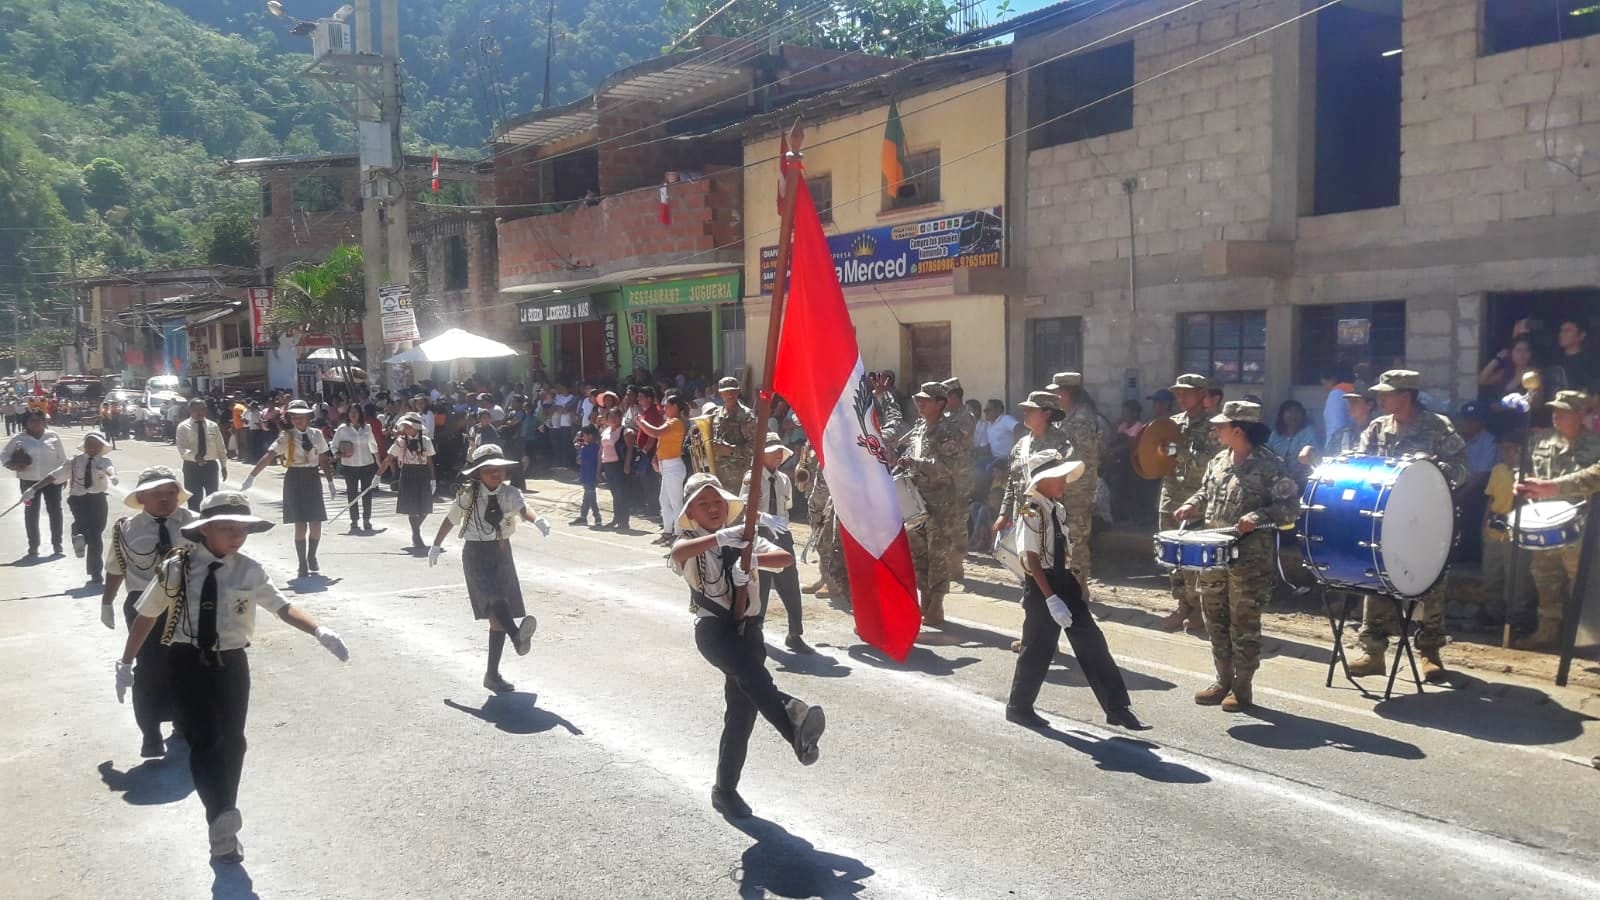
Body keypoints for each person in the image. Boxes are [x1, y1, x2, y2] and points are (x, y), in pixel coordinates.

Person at [115, 491, 348, 864]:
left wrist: (319, 630)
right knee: (206, 739)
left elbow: (282, 608)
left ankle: (225, 813)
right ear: (205, 529)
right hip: (185, 662)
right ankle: (220, 820)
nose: (236, 536)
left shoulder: (249, 570)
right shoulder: (177, 567)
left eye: (242, 529)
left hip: (231, 664)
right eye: (226, 528)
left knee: (234, 742)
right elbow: (146, 616)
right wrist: (126, 662)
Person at [668, 472, 825, 820]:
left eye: (717, 502)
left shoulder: (745, 536)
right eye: (702, 504)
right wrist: (719, 539)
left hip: (749, 630)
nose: (712, 508)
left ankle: (724, 790)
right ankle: (793, 721)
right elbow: (679, 553)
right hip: (715, 631)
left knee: (741, 716)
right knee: (755, 680)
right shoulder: (690, 539)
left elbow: (784, 558)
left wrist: (751, 557)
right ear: (690, 512)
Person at [1005, 449, 1145, 731]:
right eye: (1058, 477)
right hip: (1043, 585)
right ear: (1042, 480)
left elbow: (1063, 552)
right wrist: (1051, 598)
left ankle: (1117, 707)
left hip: (1063, 581)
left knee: (1092, 642)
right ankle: (1019, 707)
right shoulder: (1030, 508)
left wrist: (1077, 582)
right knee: (1037, 648)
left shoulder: (1056, 508)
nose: (1064, 482)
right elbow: (1030, 557)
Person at [1174, 401, 1300, 711]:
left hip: (1250, 560)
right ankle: (1222, 680)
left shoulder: (1271, 465)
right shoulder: (1219, 460)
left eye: (1221, 426)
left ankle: (1241, 688)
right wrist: (1191, 505)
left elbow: (1290, 510)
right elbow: (1206, 493)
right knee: (1214, 617)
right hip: (1214, 554)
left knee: (1243, 623)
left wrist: (1257, 516)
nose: (1216, 430)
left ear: (1238, 430)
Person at [1347, 369, 1467, 683]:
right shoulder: (1377, 428)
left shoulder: (1439, 427)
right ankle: (1373, 651)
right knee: (1376, 579)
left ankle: (1429, 651)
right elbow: (1362, 468)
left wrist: (1434, 466)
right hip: (1384, 521)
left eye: (1387, 393)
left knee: (1431, 584)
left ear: (1406, 395)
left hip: (1429, 520)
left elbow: (1462, 471)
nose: (1381, 398)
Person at [429, 443, 549, 693]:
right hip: (475, 553)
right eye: (489, 470)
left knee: (496, 620)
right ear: (478, 473)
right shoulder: (467, 495)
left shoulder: (510, 493)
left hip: (502, 552)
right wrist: (436, 545)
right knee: (496, 599)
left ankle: (492, 675)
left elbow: (523, 509)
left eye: (500, 469)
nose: (496, 474)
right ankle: (517, 637)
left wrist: (537, 520)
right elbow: (451, 519)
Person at [103, 466, 196, 756]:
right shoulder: (126, 528)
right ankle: (151, 733)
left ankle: (183, 723)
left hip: (185, 604)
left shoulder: (195, 523)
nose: (166, 498)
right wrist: (107, 601)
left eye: (171, 492)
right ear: (142, 497)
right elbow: (116, 568)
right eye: (157, 493)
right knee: (148, 670)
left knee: (186, 666)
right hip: (143, 607)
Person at [1504, 391, 1600, 649]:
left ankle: (1586, 640)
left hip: (1584, 527)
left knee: (1583, 584)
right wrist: (1519, 482)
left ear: (1581, 415)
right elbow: (1522, 467)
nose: (1556, 415)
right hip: (1545, 524)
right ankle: (1547, 633)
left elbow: (1595, 477)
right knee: (1545, 579)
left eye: (1565, 411)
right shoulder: (1540, 440)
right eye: (1554, 410)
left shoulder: (1596, 445)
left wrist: (1552, 487)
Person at [240, 400, 333, 578]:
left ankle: (312, 555)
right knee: (300, 523)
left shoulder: (317, 435)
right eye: (294, 417)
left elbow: (323, 458)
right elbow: (270, 455)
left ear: (308, 418)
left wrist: (330, 481)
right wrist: (252, 476)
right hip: (294, 477)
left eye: (301, 417)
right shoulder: (286, 436)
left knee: (316, 522)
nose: (298, 420)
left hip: (312, 477)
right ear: (290, 419)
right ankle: (302, 563)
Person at [897, 382, 964, 626]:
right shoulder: (918, 428)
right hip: (915, 500)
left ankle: (936, 603)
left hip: (940, 503)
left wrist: (915, 463)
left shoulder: (948, 430)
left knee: (938, 554)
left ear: (941, 404)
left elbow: (949, 468)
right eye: (919, 399)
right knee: (918, 553)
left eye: (926, 399)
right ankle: (924, 599)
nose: (920, 403)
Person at [1157, 374, 1219, 632]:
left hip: (1197, 499)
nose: (1181, 398)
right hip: (1171, 495)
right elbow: (1159, 456)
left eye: (1187, 393)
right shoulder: (1172, 423)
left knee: (1195, 558)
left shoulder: (1213, 426)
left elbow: (1210, 462)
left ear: (1202, 394)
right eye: (1178, 394)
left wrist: (1176, 452)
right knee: (1171, 555)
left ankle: (1199, 609)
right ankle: (1182, 605)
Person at [741, 432, 811, 654]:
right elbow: (743, 507)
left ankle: (795, 633)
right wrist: (764, 518)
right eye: (773, 452)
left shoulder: (783, 479)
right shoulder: (751, 478)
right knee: (759, 585)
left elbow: (786, 507)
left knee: (790, 583)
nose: (778, 456)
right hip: (759, 532)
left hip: (781, 533)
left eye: (780, 452)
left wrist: (780, 524)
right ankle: (754, 631)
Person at [1049, 372, 1104, 596]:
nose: (1054, 397)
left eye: (1056, 393)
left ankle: (1080, 587)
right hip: (1066, 487)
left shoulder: (1082, 419)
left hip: (1078, 488)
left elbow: (1077, 457)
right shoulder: (1067, 416)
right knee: (1066, 538)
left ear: (1065, 393)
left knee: (1077, 538)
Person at [4, 409, 68, 557]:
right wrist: (12, 464)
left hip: (52, 480)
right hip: (28, 482)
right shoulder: (19, 439)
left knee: (55, 512)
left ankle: (57, 544)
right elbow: (4, 455)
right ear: (25, 424)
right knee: (31, 513)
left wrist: (64, 477)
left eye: (39, 420)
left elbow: (62, 459)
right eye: (32, 421)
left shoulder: (53, 436)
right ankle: (33, 545)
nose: (36, 423)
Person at [375, 412, 437, 549]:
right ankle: (416, 534)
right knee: (412, 508)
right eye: (406, 427)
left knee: (425, 507)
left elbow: (430, 461)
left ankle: (416, 529)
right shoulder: (400, 442)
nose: (407, 429)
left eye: (410, 427)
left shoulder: (426, 441)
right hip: (408, 473)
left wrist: (433, 479)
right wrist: (378, 475)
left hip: (422, 474)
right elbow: (388, 459)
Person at [635, 394, 690, 546]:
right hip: (667, 466)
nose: (664, 408)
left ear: (675, 407)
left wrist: (641, 422)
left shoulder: (676, 422)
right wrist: (656, 457)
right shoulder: (671, 421)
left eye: (667, 405)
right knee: (664, 501)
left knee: (675, 503)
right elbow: (661, 439)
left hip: (674, 467)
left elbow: (656, 432)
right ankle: (667, 532)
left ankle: (678, 534)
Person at [66, 431, 117, 583]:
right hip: (78, 498)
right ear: (84, 446)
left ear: (101, 446)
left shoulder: (104, 461)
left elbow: (109, 469)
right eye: (89, 444)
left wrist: (112, 476)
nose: (93, 448)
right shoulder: (74, 461)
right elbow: (56, 475)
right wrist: (35, 488)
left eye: (96, 445)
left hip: (98, 499)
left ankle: (95, 572)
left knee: (96, 535)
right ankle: (78, 536)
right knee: (81, 523)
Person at [333, 404, 381, 534]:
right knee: (352, 493)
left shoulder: (367, 428)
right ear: (347, 415)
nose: (353, 415)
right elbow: (333, 446)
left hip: (367, 464)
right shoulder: (343, 429)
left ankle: (367, 519)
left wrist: (379, 463)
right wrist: (340, 455)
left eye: (355, 412)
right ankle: (354, 520)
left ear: (360, 414)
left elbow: (373, 445)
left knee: (367, 493)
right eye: (351, 412)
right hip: (350, 465)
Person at [176, 397, 227, 513]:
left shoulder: (213, 426)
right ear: (190, 410)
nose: (200, 412)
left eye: (202, 409)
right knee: (194, 499)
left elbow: (220, 447)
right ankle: (195, 525)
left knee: (213, 498)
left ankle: (212, 522)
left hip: (211, 466)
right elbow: (182, 449)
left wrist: (224, 466)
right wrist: (195, 457)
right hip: (192, 467)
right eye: (196, 409)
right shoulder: (183, 427)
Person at [710, 376, 758, 492]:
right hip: (718, 476)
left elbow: (756, 447)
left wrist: (731, 450)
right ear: (720, 394)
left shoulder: (746, 416)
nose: (730, 394)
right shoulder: (715, 415)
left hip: (739, 478)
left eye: (733, 391)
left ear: (738, 392)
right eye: (726, 391)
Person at [1266, 400, 1317, 482]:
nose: (1293, 415)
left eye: (1297, 412)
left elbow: (1310, 458)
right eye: (1289, 411)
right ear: (1282, 415)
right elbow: (1268, 455)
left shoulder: (1308, 432)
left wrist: (1291, 478)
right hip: (1276, 479)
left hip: (1302, 479)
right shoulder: (1275, 434)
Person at [600, 408, 632, 530]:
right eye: (610, 417)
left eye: (615, 417)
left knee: (621, 493)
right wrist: (599, 468)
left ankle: (624, 521)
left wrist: (627, 464)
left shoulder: (625, 431)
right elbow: (601, 449)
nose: (613, 419)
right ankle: (616, 518)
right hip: (608, 465)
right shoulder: (605, 431)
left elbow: (629, 449)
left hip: (619, 465)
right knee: (614, 494)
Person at [1547, 319, 1597, 393]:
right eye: (1561, 330)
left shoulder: (1591, 362)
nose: (1561, 334)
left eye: (1567, 331)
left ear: (1581, 335)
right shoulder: (1553, 359)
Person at [1456, 402, 1498, 478]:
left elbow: (1481, 475)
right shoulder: (1453, 437)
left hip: (1475, 486)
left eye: (1472, 420)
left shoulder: (1490, 442)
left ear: (1482, 422)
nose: (1467, 423)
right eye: (1465, 419)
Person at [573, 425, 602, 527]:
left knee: (590, 496)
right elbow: (579, 461)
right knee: (588, 496)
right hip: (585, 474)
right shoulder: (584, 447)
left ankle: (596, 516)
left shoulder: (596, 448)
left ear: (590, 436)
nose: (583, 437)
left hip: (591, 475)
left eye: (584, 435)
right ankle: (584, 517)